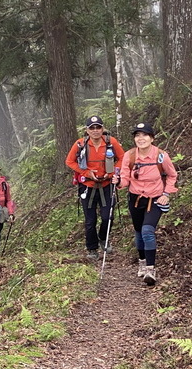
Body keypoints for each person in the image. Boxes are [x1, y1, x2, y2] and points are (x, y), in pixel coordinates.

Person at [115, 122, 178, 286]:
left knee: (147, 231)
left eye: (144, 135)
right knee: (138, 232)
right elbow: (125, 178)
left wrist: (166, 194)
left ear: (152, 138)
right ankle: (142, 261)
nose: (141, 138)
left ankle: (150, 269)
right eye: (137, 135)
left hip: (155, 199)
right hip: (135, 198)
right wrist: (118, 182)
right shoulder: (130, 156)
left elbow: (172, 175)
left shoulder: (161, 155)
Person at [66, 115, 124, 261]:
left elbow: (123, 158)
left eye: (98, 127)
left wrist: (112, 172)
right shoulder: (80, 144)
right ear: (87, 130)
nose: (96, 130)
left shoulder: (111, 142)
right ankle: (92, 249)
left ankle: (103, 238)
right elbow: (69, 161)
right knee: (90, 220)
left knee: (107, 216)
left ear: (103, 128)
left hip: (107, 185)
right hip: (88, 186)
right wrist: (86, 173)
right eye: (92, 128)